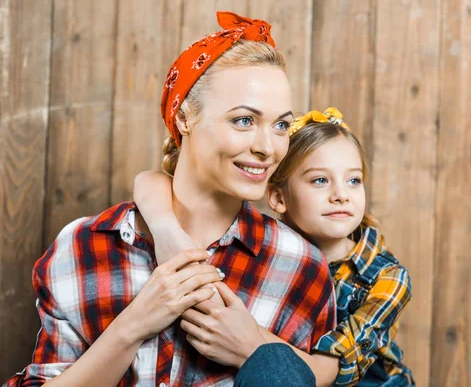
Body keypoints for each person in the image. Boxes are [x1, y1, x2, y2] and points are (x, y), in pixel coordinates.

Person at [3, 12, 336, 387]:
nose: (266, 147)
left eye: (280, 126)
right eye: (243, 120)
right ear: (184, 118)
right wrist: (133, 325)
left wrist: (255, 348)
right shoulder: (83, 246)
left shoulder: (298, 266)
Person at [135, 108, 415, 386]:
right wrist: (165, 229)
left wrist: (249, 342)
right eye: (320, 180)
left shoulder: (387, 278)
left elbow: (331, 373)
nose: (341, 195)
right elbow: (148, 180)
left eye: (353, 180)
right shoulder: (266, 245)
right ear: (278, 198)